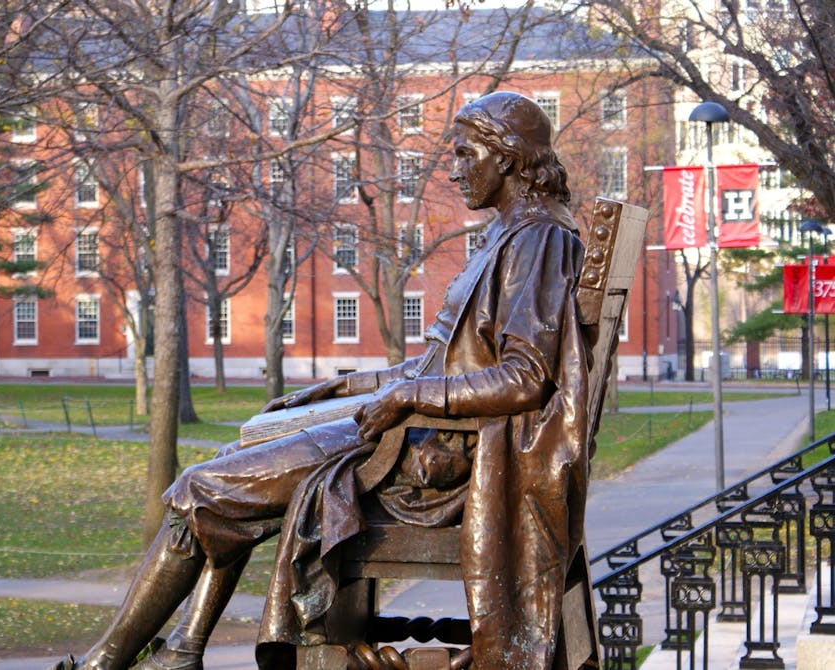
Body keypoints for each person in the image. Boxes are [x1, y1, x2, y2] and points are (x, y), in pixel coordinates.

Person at [53, 91, 592, 670]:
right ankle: (182, 648)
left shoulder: (537, 239)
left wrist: (405, 395)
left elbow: (525, 377)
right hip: (423, 434)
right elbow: (443, 364)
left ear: (506, 158)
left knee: (200, 490)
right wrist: (343, 386)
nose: (454, 169)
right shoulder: (513, 234)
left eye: (465, 155)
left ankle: (108, 662)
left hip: (434, 457)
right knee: (242, 456)